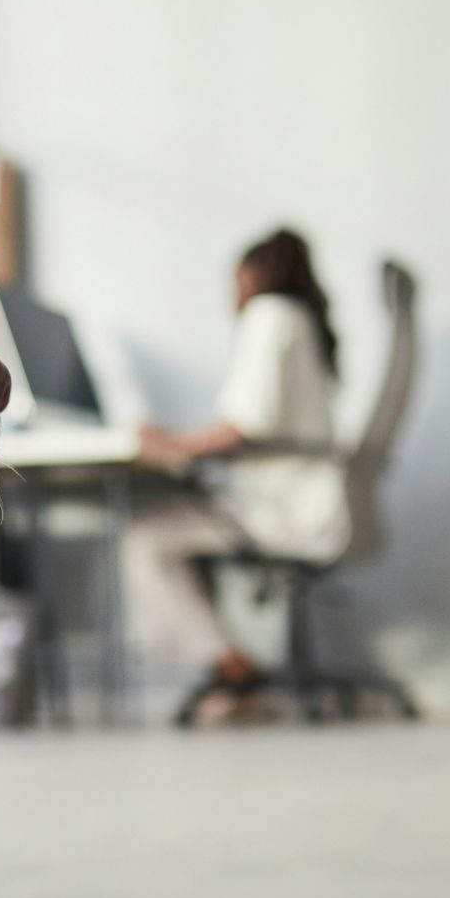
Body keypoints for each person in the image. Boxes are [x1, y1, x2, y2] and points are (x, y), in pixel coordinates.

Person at [122, 228, 348, 713]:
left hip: (283, 508)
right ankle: (229, 674)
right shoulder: (304, 322)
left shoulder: (270, 315)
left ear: (252, 276)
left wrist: (171, 444)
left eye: (235, 281)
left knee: (145, 538)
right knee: (177, 532)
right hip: (306, 498)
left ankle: (229, 665)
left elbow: (247, 424)